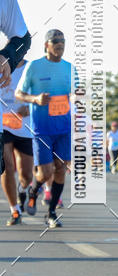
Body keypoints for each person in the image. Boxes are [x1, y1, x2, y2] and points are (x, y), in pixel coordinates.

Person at [16, 29, 72, 228]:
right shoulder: (34, 67)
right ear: (46, 45)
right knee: (46, 172)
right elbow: (19, 93)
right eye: (55, 41)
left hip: (64, 127)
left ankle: (51, 213)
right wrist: (35, 99)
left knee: (60, 170)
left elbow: (76, 95)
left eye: (62, 40)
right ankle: (34, 189)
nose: (60, 44)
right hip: (42, 128)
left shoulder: (70, 68)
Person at [1, 60, 33, 225]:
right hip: (2, 126)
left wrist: (31, 107)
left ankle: (22, 193)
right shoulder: (1, 66)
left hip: (24, 127)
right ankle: (15, 210)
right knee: (7, 165)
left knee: (27, 174)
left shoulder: (31, 68)